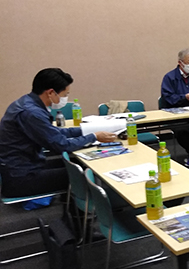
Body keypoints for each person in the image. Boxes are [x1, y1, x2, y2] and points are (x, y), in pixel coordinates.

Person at [0, 68, 117, 198]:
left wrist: (86, 130)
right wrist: (94, 136)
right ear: (51, 92)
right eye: (64, 94)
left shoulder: (27, 102)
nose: (65, 98)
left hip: (26, 165)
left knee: (79, 163)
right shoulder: (32, 113)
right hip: (20, 178)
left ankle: (72, 208)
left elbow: (54, 132)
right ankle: (86, 209)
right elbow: (61, 145)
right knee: (88, 173)